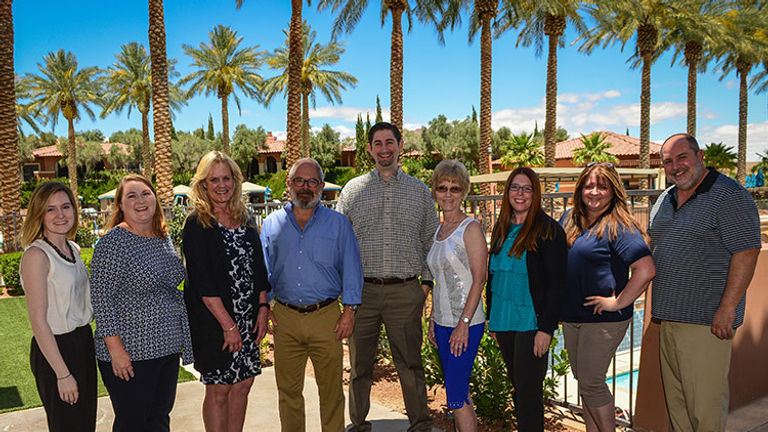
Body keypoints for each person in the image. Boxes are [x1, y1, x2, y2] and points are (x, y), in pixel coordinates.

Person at [649, 134, 760, 432]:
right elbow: (655, 246)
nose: (676, 166)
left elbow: (747, 250)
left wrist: (727, 307)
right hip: (668, 317)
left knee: (705, 410)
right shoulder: (665, 198)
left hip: (706, 321)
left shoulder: (729, 195)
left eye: (682, 157)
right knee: (679, 408)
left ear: (700, 157)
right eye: (668, 162)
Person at [337, 121, 439, 432]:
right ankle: (358, 424)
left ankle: (420, 423)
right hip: (362, 294)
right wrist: (346, 292)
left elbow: (431, 241)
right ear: (369, 149)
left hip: (405, 292)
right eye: (378, 143)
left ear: (400, 145)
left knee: (409, 364)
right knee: (360, 366)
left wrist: (425, 285)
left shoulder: (420, 192)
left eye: (389, 142)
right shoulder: (352, 190)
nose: (384, 149)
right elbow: (340, 243)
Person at [260, 158, 363, 432]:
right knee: (288, 393)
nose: (305, 187)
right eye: (299, 181)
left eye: (312, 182)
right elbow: (263, 270)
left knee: (330, 393)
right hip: (285, 318)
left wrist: (350, 311)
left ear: (321, 186)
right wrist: (265, 306)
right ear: (289, 184)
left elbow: (352, 267)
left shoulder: (338, 224)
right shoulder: (271, 225)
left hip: (326, 318)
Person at [90, 174, 193, 432]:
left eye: (146, 193)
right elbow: (101, 302)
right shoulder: (112, 243)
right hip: (130, 352)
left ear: (156, 199)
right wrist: (117, 352)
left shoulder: (163, 238)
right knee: (133, 423)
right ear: (121, 206)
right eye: (131, 196)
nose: (140, 201)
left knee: (159, 419)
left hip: (166, 348)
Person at [560, 163, 656, 432]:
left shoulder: (619, 226)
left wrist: (617, 302)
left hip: (603, 320)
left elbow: (646, 269)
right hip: (572, 315)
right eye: (589, 185)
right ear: (580, 189)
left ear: (613, 191)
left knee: (591, 383)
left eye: (602, 186)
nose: (594, 192)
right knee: (585, 382)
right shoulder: (570, 219)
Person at [183, 151, 270, 432]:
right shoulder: (197, 223)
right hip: (215, 321)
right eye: (214, 179)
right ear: (203, 184)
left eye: (227, 178)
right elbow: (202, 282)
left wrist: (263, 308)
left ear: (235, 180)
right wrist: (228, 326)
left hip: (247, 319)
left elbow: (259, 269)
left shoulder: (245, 216)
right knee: (219, 388)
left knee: (243, 383)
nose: (221, 185)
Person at [486, 167, 567, 432]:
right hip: (504, 320)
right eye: (515, 187)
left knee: (529, 393)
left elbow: (557, 284)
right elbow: (493, 276)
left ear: (535, 194)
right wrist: (492, 320)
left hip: (531, 323)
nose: (520, 194)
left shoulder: (549, 231)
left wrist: (546, 329)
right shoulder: (502, 228)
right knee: (518, 389)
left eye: (527, 188)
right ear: (507, 192)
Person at [19, 182, 96, 432]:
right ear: (39, 214)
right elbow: (39, 321)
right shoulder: (36, 256)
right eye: (50, 209)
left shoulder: (72, 248)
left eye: (65, 206)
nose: (60, 215)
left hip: (83, 342)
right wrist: (62, 374)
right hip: (56, 350)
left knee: (84, 424)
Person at [425, 160, 487, 432]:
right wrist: (432, 319)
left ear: (464, 192)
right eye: (442, 188)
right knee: (458, 392)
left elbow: (479, 278)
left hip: (466, 323)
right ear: (434, 191)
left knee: (456, 395)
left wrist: (463, 322)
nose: (448, 194)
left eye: (455, 188)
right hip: (442, 322)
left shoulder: (470, 228)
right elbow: (438, 280)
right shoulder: (438, 230)